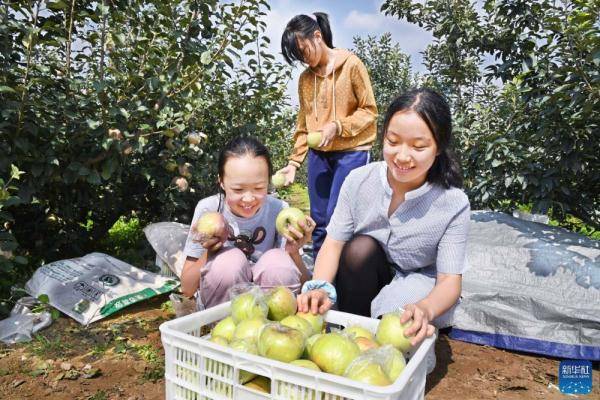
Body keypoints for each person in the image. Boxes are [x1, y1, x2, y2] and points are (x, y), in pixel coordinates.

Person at [298, 88, 470, 348]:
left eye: (418, 146)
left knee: (398, 331)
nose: (402, 156)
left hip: (418, 280)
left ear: (438, 148)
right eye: (393, 141)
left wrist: (426, 308)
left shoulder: (453, 203)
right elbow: (333, 243)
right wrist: (320, 286)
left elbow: (449, 281)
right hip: (366, 276)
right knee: (359, 248)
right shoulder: (359, 180)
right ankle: (350, 332)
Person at [276, 12, 377, 259]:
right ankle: (322, 280)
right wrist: (292, 163)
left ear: (317, 36)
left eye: (304, 51)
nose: (304, 59)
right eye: (298, 57)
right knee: (319, 219)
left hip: (352, 151)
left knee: (338, 217)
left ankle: (347, 273)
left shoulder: (351, 65)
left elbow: (369, 110)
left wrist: (338, 127)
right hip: (319, 153)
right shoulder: (305, 80)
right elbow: (304, 123)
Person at [180, 136, 314, 309]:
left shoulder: (279, 209)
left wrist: (293, 253)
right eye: (238, 189)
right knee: (228, 262)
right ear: (221, 181)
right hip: (222, 312)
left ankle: (274, 329)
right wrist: (209, 253)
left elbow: (303, 285)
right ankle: (220, 327)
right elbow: (187, 288)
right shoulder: (209, 210)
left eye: (259, 188)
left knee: (278, 263)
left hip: (270, 310)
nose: (249, 198)